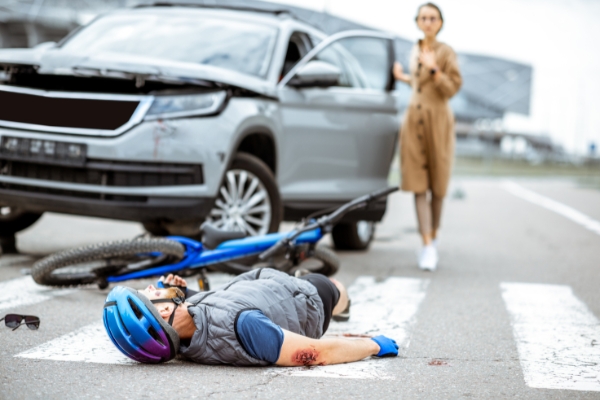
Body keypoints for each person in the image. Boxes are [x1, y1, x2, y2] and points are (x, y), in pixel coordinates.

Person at [103, 271, 399, 366]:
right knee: (334, 287)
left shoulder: (185, 337)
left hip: (255, 285)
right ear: (164, 312)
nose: (154, 285)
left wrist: (185, 291)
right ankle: (341, 301)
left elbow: (210, 316)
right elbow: (315, 353)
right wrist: (373, 345)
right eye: (151, 292)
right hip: (306, 297)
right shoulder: (245, 328)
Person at [393, 3, 462, 271]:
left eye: (433, 18)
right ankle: (426, 244)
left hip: (438, 122)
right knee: (418, 183)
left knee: (438, 184)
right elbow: (419, 83)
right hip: (414, 120)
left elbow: (452, 88)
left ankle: (433, 236)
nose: (428, 22)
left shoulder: (446, 52)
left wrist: (435, 69)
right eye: (424, 18)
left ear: (441, 22)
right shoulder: (415, 49)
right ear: (418, 22)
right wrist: (404, 78)